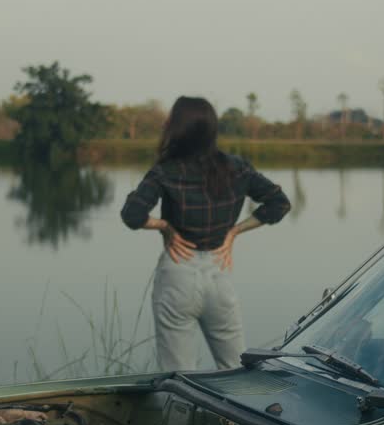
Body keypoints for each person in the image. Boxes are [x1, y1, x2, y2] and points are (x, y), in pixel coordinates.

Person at [121, 96, 290, 371]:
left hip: (177, 273)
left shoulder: (165, 171)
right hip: (219, 273)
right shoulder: (237, 168)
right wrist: (234, 232)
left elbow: (132, 215)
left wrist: (165, 227)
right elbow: (279, 203)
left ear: (176, 128)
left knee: (177, 377)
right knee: (236, 373)